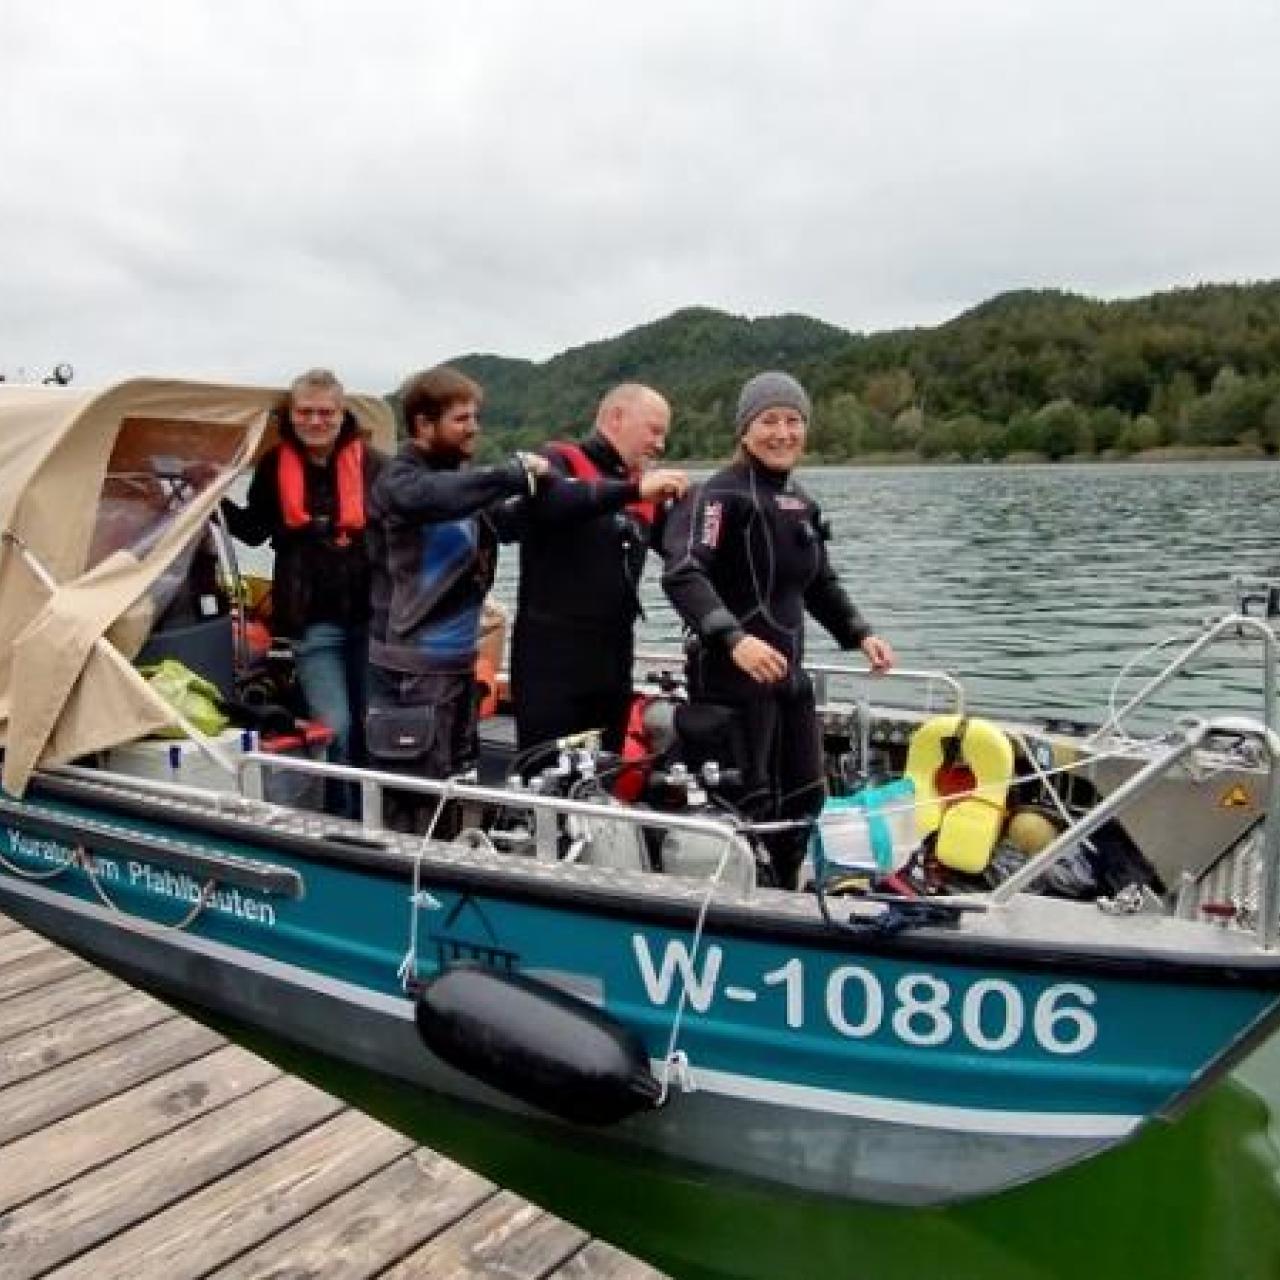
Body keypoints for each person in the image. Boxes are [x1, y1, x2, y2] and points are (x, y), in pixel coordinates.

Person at [661, 371, 896, 888]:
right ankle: (741, 900)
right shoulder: (717, 496)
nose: (783, 433)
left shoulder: (800, 503)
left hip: (788, 677)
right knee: (749, 801)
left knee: (805, 795)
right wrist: (733, 639)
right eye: (769, 421)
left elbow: (819, 583)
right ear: (745, 430)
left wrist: (860, 632)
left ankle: (791, 896)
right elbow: (683, 573)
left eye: (794, 421)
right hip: (731, 679)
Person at [365, 365, 548, 827]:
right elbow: (436, 496)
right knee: (413, 802)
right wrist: (511, 474)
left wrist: (553, 490)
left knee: (455, 788)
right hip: (411, 674)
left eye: (475, 418)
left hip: (455, 671)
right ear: (425, 425)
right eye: (462, 419)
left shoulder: (463, 487)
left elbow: (505, 521)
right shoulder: (399, 482)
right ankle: (401, 886)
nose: (474, 428)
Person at [222, 368, 382, 816]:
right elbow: (253, 532)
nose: (316, 421)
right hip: (313, 623)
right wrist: (212, 495)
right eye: (305, 412)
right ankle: (341, 820)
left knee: (371, 726)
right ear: (291, 416)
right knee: (336, 728)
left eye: (325, 412)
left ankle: (376, 819)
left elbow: (402, 530)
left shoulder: (373, 464)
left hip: (370, 618)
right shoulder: (274, 467)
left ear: (341, 413)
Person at [511, 383, 688, 766]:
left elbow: (687, 555)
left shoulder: (646, 491)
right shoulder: (559, 460)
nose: (660, 444)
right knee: (547, 779)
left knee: (603, 778)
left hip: (611, 661)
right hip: (551, 662)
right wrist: (634, 489)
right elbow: (550, 503)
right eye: (654, 430)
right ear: (615, 418)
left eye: (664, 435)